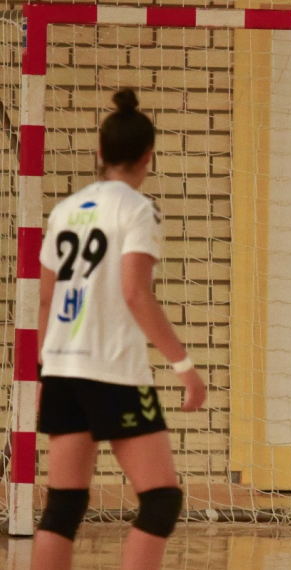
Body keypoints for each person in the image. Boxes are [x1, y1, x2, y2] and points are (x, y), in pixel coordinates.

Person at [33, 89, 207, 570]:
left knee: (63, 508)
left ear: (99, 153)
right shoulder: (136, 209)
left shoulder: (64, 211)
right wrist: (184, 365)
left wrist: (44, 371)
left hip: (63, 370)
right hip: (113, 375)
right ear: (148, 157)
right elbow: (135, 292)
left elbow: (46, 300)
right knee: (160, 500)